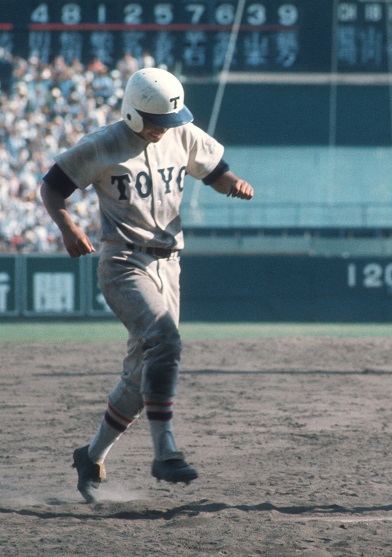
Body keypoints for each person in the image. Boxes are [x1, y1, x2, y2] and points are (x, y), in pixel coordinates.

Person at [40, 67, 255, 503]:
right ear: (134, 115)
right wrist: (67, 228)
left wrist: (233, 185)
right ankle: (165, 449)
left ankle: (92, 454)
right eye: (157, 122)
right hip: (122, 260)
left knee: (144, 375)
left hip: (169, 264)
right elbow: (52, 187)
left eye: (171, 121)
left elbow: (216, 171)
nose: (166, 129)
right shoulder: (103, 144)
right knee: (165, 342)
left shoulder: (181, 132)